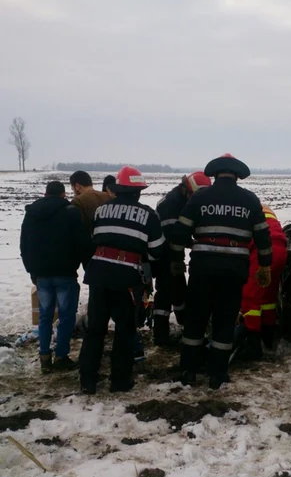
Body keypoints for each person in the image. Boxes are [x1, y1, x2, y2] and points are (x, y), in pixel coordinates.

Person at [170, 153, 272, 389]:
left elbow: (180, 233)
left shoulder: (200, 197)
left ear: (214, 175)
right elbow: (263, 236)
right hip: (234, 271)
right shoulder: (250, 200)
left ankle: (189, 371)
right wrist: (265, 265)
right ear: (237, 176)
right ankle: (218, 374)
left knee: (196, 318)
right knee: (225, 321)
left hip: (202, 269)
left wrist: (176, 260)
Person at [79, 166, 165, 395]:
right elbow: (157, 251)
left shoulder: (101, 210)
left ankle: (87, 380)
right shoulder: (148, 215)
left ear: (117, 189)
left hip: (98, 276)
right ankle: (120, 380)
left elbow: (94, 239)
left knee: (95, 330)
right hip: (127, 279)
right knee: (125, 330)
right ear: (138, 192)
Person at [20, 180, 91, 373]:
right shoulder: (70, 212)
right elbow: (81, 242)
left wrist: (32, 271)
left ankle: (44, 356)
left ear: (45, 193)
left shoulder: (31, 213)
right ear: (63, 194)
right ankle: (61, 356)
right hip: (65, 273)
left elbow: (24, 245)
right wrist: (86, 266)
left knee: (45, 316)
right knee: (67, 316)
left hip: (41, 274)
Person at [154, 172, 211, 346]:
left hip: (172, 250)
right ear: (187, 190)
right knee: (165, 291)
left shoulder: (181, 199)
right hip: (163, 253)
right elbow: (175, 236)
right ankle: (160, 335)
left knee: (179, 288)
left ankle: (184, 323)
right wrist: (190, 244)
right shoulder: (171, 205)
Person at [237, 204, 288, 359]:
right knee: (268, 297)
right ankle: (268, 338)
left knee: (249, 297)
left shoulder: (242, 211)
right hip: (281, 250)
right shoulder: (263, 208)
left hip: (263, 250)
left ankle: (253, 346)